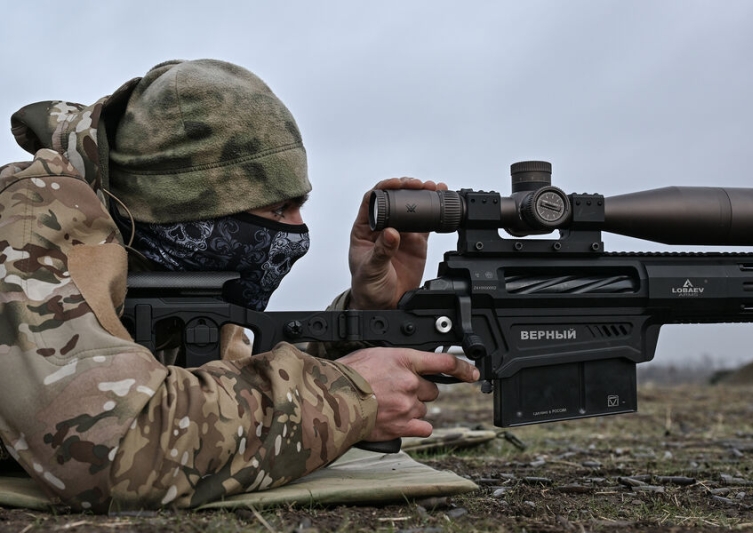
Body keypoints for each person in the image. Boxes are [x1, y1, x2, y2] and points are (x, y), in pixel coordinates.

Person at [0, 59, 478, 512]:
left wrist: (364, 321)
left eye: (298, 207)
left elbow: (227, 392)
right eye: (276, 210)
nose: (296, 233)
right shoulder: (30, 221)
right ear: (185, 212)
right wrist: (347, 395)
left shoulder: (164, 265)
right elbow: (112, 448)